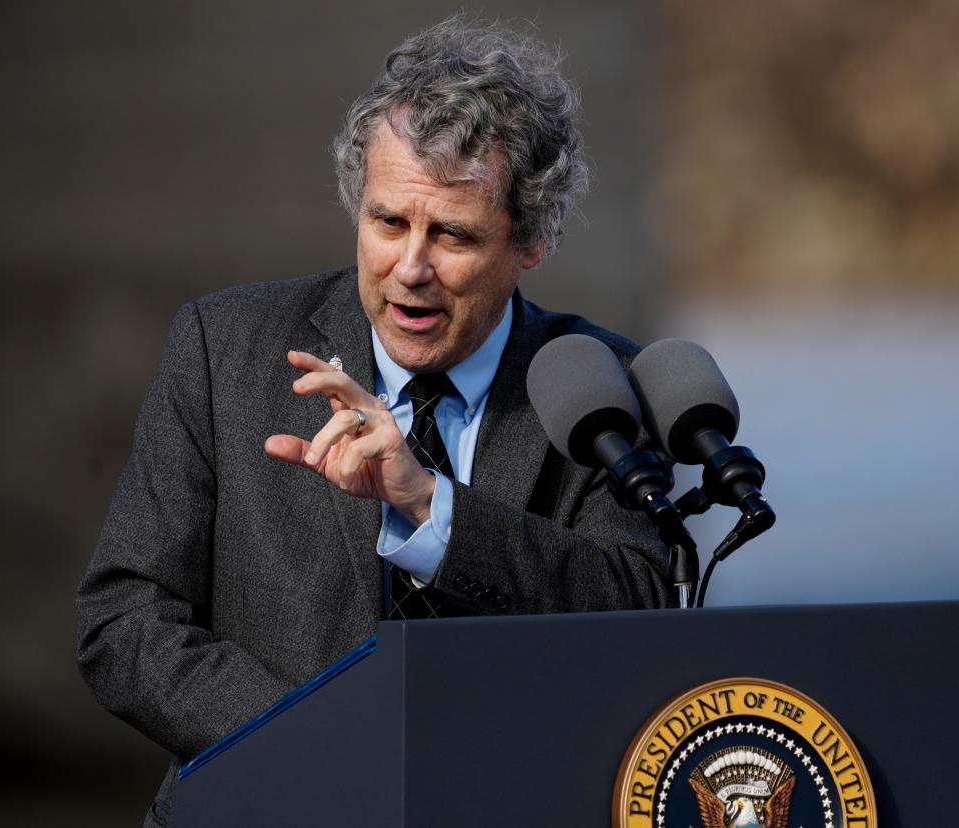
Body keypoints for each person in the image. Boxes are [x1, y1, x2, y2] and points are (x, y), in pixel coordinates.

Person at [76, 17, 671, 825]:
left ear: (531, 240)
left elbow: (639, 614)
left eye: (452, 235)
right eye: (388, 222)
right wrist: (315, 746)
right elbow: (124, 619)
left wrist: (432, 505)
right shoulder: (225, 349)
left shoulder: (601, 385)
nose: (411, 267)